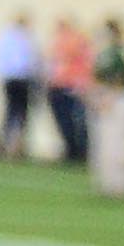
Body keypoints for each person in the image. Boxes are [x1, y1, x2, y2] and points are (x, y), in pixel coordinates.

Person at [88, 16, 124, 199]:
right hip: (104, 98)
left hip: (117, 100)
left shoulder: (118, 53)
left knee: (117, 142)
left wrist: (109, 98)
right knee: (104, 142)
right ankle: (107, 181)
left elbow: (121, 79)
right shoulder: (104, 54)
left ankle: (120, 183)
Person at [0, 12, 40, 159]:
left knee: (10, 114)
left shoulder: (4, 37)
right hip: (20, 79)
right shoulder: (23, 39)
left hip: (8, 79)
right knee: (20, 115)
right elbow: (26, 63)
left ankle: (3, 145)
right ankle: (15, 148)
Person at [43, 16, 92, 166]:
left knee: (74, 121)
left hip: (70, 86)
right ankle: (70, 150)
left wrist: (82, 85)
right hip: (57, 86)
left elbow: (85, 64)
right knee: (63, 121)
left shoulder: (78, 41)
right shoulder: (57, 42)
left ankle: (79, 152)